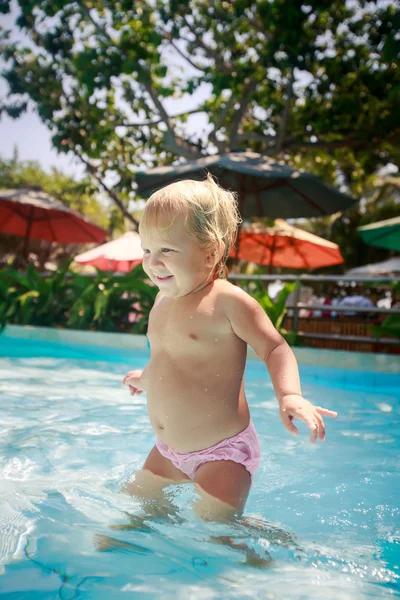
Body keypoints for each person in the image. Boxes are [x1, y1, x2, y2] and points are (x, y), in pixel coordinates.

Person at [122, 175, 337, 522]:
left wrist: (290, 395)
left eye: (166, 250)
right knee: (133, 512)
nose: (153, 261)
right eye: (147, 250)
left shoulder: (227, 302)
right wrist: (146, 378)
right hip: (168, 450)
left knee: (218, 533)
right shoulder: (161, 302)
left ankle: (265, 550)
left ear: (210, 252)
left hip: (222, 454)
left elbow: (274, 347)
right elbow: (169, 359)